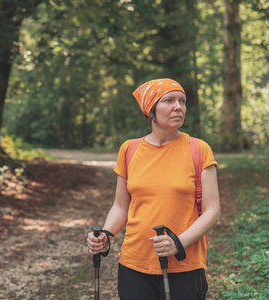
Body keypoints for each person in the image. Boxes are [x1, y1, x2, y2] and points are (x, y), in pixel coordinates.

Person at [86, 78, 220, 300]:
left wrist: (177, 243)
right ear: (151, 110)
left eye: (182, 101)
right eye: (168, 100)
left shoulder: (198, 149)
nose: (178, 106)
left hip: (184, 265)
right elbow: (121, 206)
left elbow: (212, 211)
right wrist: (106, 235)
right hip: (134, 264)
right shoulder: (129, 149)